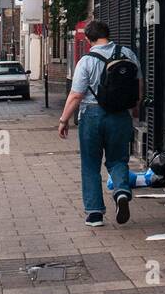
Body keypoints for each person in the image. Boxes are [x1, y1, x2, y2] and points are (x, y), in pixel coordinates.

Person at [58, 20, 142, 227]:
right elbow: (138, 85)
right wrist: (133, 107)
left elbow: (76, 94)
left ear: (88, 39)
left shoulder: (86, 61)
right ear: (108, 33)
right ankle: (121, 191)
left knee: (90, 165)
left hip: (92, 116)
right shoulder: (128, 54)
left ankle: (95, 213)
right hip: (120, 115)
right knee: (118, 160)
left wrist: (64, 120)